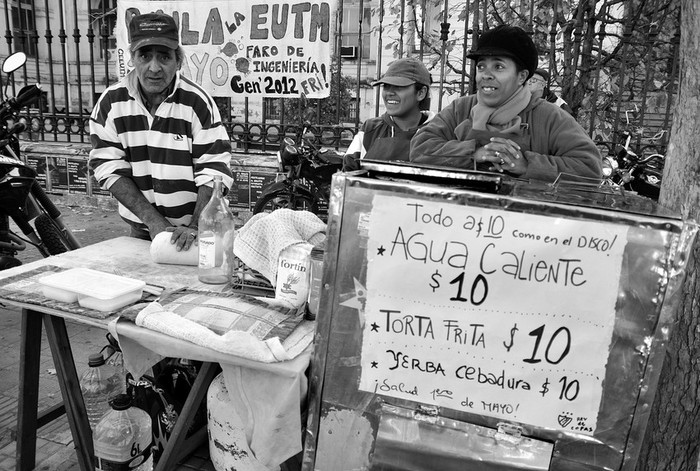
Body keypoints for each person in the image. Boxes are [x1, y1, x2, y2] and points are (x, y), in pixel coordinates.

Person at [89, 12, 233, 252]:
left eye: (164, 57)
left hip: (196, 231)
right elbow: (108, 167)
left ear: (178, 61)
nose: (154, 68)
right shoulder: (110, 104)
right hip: (141, 228)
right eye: (145, 56)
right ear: (132, 58)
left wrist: (196, 226)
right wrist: (154, 222)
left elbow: (214, 168)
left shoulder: (197, 103)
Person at [410, 25, 601, 182]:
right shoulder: (460, 108)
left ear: (522, 76)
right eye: (481, 66)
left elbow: (589, 168)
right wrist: (473, 153)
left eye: (498, 66)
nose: (486, 74)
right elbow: (420, 150)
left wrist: (527, 164)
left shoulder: (551, 117)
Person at [343, 57, 435, 171]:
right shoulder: (370, 130)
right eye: (386, 86)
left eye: (399, 86)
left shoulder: (438, 132)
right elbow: (348, 176)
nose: (390, 93)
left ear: (421, 93)